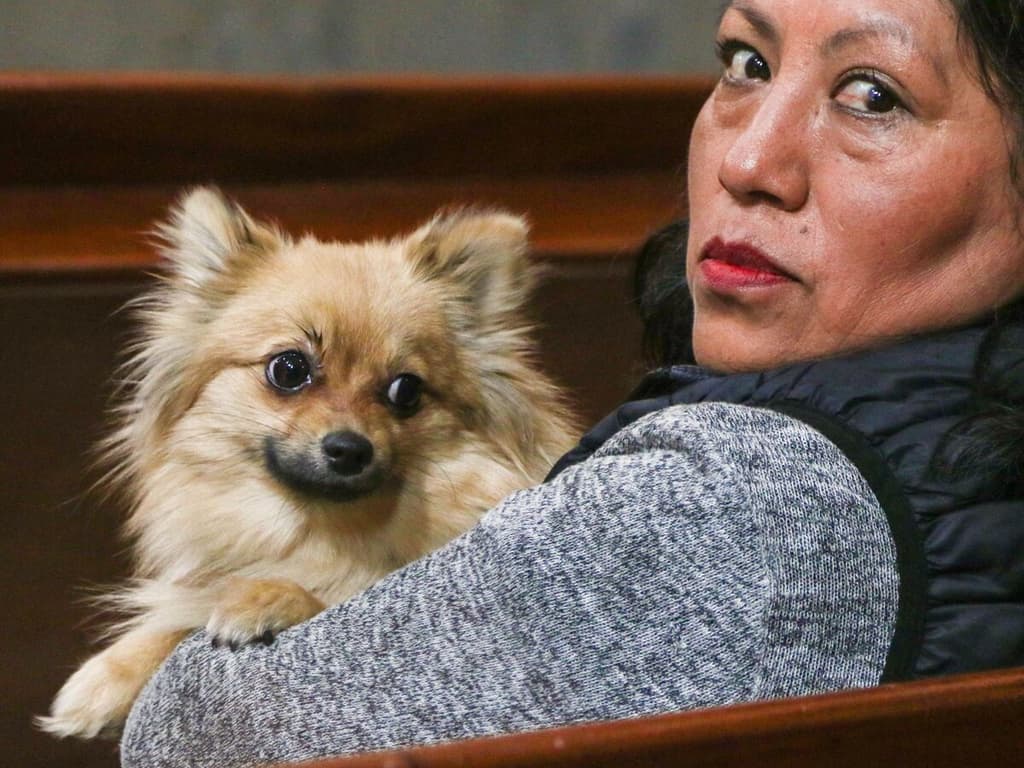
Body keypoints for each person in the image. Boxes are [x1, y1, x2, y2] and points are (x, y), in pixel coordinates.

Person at [121, 1, 1024, 765]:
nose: (747, 161)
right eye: (746, 63)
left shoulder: (734, 513)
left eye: (872, 96)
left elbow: (195, 739)